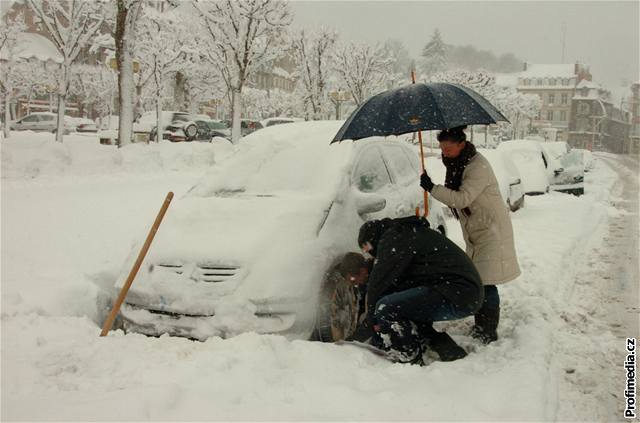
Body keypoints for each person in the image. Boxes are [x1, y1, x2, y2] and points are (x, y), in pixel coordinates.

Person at [420, 126, 521, 344]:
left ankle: (487, 330)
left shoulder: (477, 166)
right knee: (480, 278)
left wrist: (432, 188)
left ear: (461, 144)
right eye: (442, 148)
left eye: (448, 148)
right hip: (478, 229)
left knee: (486, 280)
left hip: (491, 230)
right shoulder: (458, 163)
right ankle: (483, 326)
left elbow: (462, 199)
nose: (444, 153)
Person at [346, 216, 484, 363]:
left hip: (458, 292)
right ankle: (447, 348)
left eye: (368, 249)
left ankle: (409, 359)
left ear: (371, 240)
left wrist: (358, 336)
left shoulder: (394, 238)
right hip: (462, 292)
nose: (372, 255)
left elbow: (377, 285)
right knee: (405, 305)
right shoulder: (405, 234)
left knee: (387, 308)